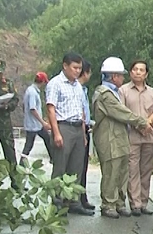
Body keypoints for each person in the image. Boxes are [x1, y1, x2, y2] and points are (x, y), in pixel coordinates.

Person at [91, 57, 153, 219]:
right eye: (120, 75)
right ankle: (108, 204)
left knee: (122, 172)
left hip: (120, 137)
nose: (123, 78)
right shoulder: (104, 94)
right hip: (109, 138)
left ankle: (119, 202)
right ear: (113, 76)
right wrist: (141, 122)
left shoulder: (114, 92)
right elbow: (121, 112)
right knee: (111, 171)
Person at [45, 51, 94, 216]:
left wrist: (83, 134)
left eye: (80, 68)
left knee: (76, 166)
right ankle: (56, 201)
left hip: (77, 128)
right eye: (74, 67)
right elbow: (51, 109)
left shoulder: (78, 86)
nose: (77, 71)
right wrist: (56, 133)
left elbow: (80, 110)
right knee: (61, 165)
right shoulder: (55, 83)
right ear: (65, 66)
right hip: (63, 126)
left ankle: (73, 201)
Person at [119, 59, 153, 216]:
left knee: (146, 170)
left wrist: (148, 125)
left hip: (149, 136)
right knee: (132, 170)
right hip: (132, 135)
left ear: (146, 74)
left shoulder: (152, 92)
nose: (138, 72)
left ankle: (144, 202)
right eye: (135, 69)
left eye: (141, 70)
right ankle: (135, 204)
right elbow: (122, 112)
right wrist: (139, 125)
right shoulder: (123, 90)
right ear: (130, 72)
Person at [0, 59, 19, 173]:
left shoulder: (8, 84)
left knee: (10, 153)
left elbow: (15, 99)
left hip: (5, 123)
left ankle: (16, 183)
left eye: (0, 73)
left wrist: (6, 106)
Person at [21, 72, 53, 163]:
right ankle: (21, 164)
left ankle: (53, 158)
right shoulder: (33, 93)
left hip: (35, 124)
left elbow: (24, 106)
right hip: (33, 125)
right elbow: (32, 109)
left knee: (47, 138)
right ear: (42, 81)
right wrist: (43, 122)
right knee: (29, 145)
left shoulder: (30, 90)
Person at [78, 60, 95, 210]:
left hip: (86, 128)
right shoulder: (77, 89)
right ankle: (76, 198)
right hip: (79, 129)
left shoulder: (83, 90)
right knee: (78, 166)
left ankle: (82, 197)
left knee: (83, 167)